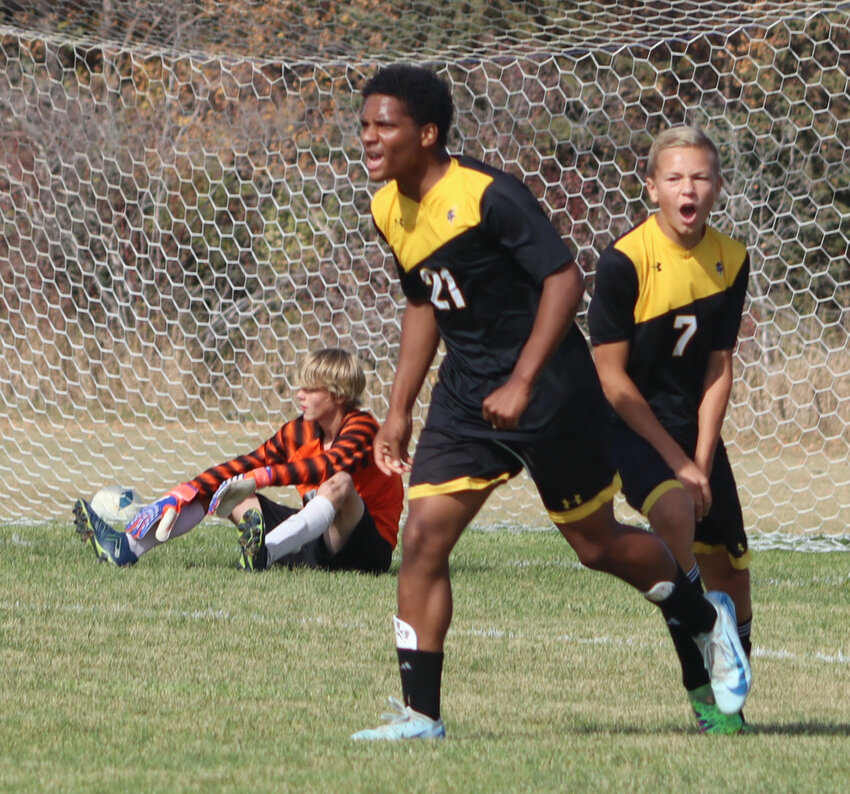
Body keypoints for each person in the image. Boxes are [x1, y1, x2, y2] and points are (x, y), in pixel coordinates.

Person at [350, 64, 751, 741]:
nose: (368, 137)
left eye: (382, 126)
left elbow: (563, 282)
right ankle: (420, 717)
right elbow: (424, 302)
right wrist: (399, 409)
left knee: (596, 547)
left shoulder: (488, 197)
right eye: (363, 126)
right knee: (421, 539)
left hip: (551, 395)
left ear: (427, 132)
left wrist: (524, 381)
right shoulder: (388, 206)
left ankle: (706, 619)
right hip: (465, 397)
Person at [587, 126, 752, 734]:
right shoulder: (623, 261)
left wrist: (702, 458)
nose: (690, 188)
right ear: (652, 186)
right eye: (676, 177)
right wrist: (677, 463)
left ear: (717, 187)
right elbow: (612, 379)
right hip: (629, 427)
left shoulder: (730, 259)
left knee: (731, 572)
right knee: (677, 520)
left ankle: (733, 701)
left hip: (692, 433)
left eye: (701, 177)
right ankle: (705, 702)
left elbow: (717, 367)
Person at [73, 348, 403, 575]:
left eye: (310, 388)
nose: (299, 394)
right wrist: (186, 491)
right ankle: (126, 547)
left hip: (367, 553)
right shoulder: (298, 432)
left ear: (338, 394)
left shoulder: (364, 428)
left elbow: (325, 467)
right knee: (230, 488)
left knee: (339, 483)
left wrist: (262, 477)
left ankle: (265, 553)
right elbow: (247, 463)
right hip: (314, 542)